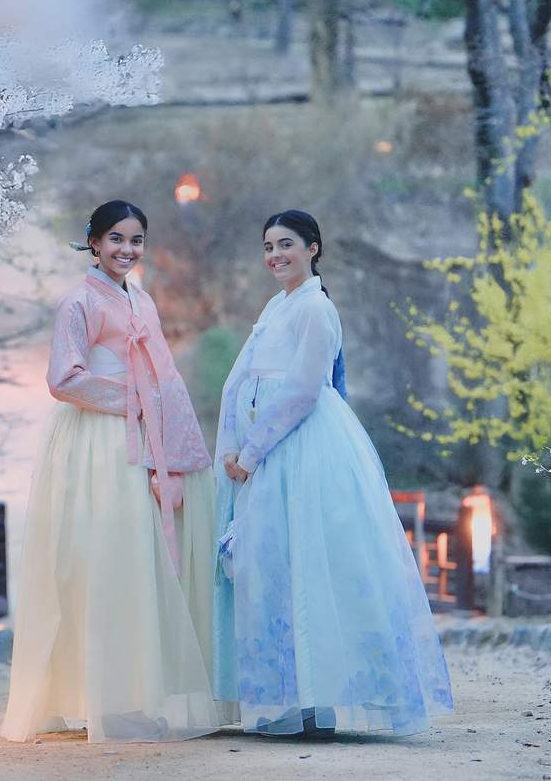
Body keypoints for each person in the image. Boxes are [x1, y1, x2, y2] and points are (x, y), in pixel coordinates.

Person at [212, 210, 454, 737]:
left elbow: (301, 390)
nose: (276, 255)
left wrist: (251, 453)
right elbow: (246, 379)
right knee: (276, 566)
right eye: (269, 246)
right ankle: (292, 697)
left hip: (301, 449)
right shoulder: (277, 306)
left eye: (287, 245)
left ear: (313, 248)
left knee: (311, 563)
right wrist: (234, 442)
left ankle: (321, 700)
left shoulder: (315, 309)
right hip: (270, 449)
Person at [1, 200, 218, 743]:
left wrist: (153, 410)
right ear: (93, 242)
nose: (126, 249)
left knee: (138, 563)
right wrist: (134, 398)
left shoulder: (140, 298)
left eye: (136, 239)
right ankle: (103, 699)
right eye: (116, 239)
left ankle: (135, 692)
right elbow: (64, 379)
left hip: (138, 435)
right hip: (98, 439)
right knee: (101, 562)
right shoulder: (79, 302)